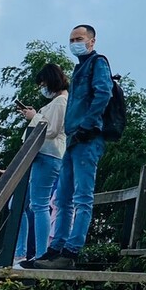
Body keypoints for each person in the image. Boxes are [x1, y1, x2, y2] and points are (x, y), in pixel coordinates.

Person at [33, 25, 112, 270]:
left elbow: (104, 93)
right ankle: (55, 248)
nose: (75, 43)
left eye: (79, 38)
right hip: (72, 138)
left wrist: (87, 125)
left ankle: (71, 251)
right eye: (71, 39)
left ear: (91, 41)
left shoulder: (98, 63)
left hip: (87, 138)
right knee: (63, 198)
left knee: (82, 197)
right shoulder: (79, 68)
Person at [15, 64, 68, 268]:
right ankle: (36, 254)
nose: (42, 88)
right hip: (46, 156)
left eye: (43, 83)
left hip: (49, 155)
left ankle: (39, 255)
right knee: (36, 205)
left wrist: (34, 117)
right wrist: (36, 115)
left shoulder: (61, 102)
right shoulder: (57, 102)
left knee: (39, 205)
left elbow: (52, 130)